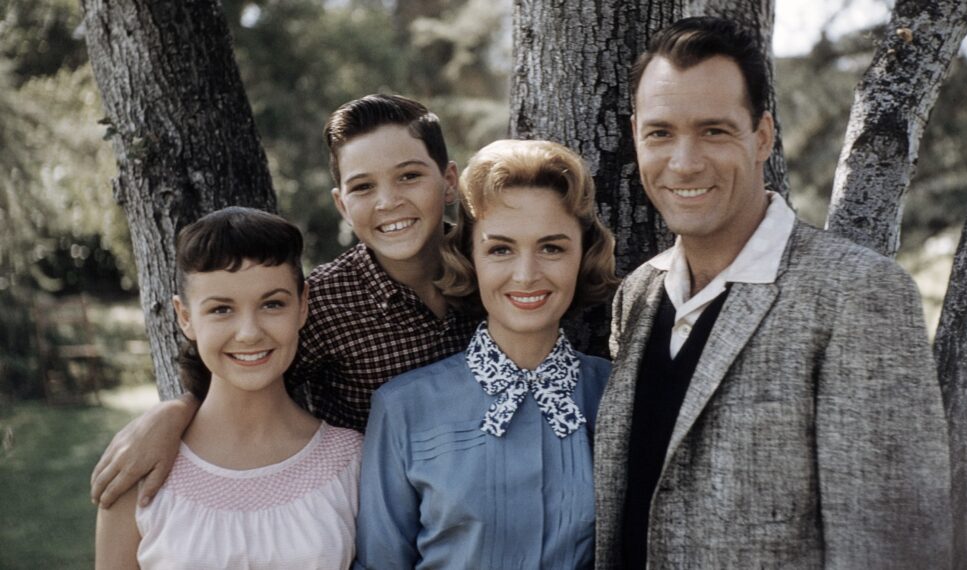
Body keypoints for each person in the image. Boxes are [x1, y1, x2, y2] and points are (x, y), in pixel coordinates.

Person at [593, 17, 952, 569]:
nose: (684, 162)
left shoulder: (857, 294)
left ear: (762, 136)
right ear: (636, 132)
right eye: (661, 133)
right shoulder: (638, 293)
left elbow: (891, 548)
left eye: (714, 130)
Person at [90, 94, 479, 509]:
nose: (388, 201)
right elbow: (239, 372)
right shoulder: (325, 303)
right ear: (342, 205)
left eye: (409, 176)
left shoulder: (493, 268)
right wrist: (172, 414)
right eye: (364, 186)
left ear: (449, 181)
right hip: (383, 521)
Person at [354, 139, 618, 569]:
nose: (527, 275)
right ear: (469, 257)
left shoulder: (616, 394)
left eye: (552, 247)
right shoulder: (403, 408)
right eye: (500, 249)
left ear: (582, 255)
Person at [95, 207, 362, 569]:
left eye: (272, 304)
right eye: (221, 310)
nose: (249, 332)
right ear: (185, 317)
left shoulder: (350, 462)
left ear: (302, 306)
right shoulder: (137, 468)